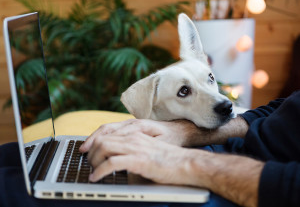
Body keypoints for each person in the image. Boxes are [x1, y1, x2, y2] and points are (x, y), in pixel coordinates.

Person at [0, 92, 299, 207]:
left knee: (12, 189)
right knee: (21, 155)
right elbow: (276, 114)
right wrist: (183, 132)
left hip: (248, 189)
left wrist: (185, 163)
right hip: (226, 154)